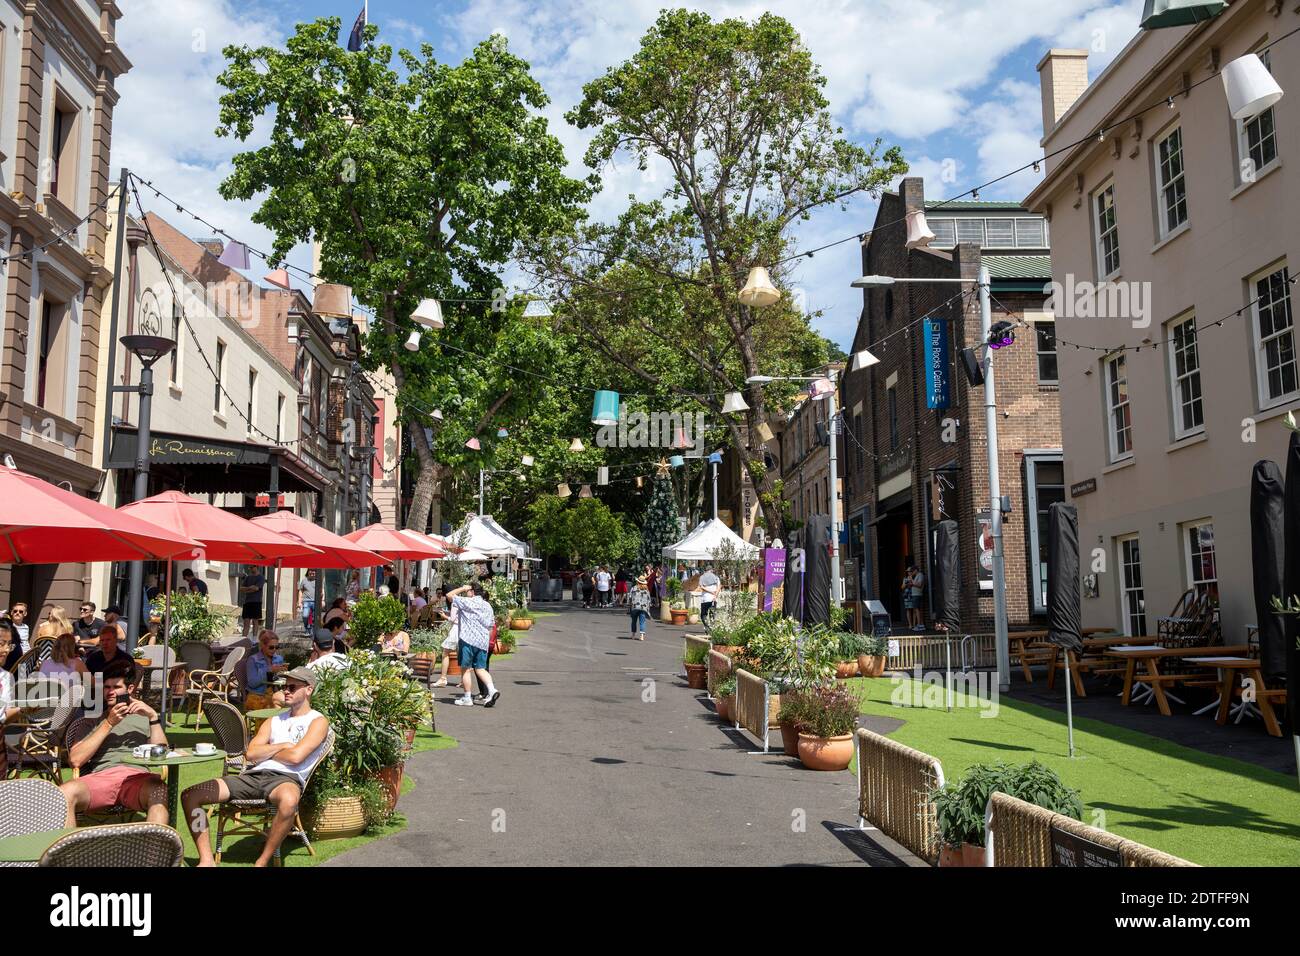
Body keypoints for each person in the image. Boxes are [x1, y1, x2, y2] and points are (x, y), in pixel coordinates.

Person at [182, 666, 330, 867]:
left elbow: (296, 758)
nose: (285, 690)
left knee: (289, 801)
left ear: (308, 689)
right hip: (252, 775)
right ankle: (206, 859)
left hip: (285, 779)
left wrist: (268, 750)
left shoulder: (318, 721)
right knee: (192, 795)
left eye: (292, 687)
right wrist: (283, 746)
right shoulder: (273, 720)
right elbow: (251, 753)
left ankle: (261, 861)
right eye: (284, 686)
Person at [59, 660, 169, 827]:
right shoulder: (91, 721)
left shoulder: (143, 719)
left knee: (159, 790)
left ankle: (154, 852)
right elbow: (75, 760)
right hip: (102, 778)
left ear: (130, 689)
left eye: (116, 687)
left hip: (137, 778)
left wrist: (153, 718)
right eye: (107, 687)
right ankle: (68, 853)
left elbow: (162, 754)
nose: (110, 692)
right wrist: (108, 723)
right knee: (64, 793)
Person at [446, 583, 498, 707]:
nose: (466, 592)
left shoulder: (467, 602)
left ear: (472, 591)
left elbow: (449, 595)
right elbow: (491, 625)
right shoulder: (487, 605)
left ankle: (467, 697)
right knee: (480, 668)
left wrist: (463, 588)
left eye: (468, 590)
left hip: (467, 639)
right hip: (482, 641)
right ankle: (492, 690)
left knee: (465, 669)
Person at [244, 629, 287, 711]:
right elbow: (252, 683)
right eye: (271, 647)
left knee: (291, 705)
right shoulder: (253, 660)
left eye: (276, 647)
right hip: (257, 695)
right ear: (262, 645)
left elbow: (280, 680)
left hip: (276, 694)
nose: (274, 650)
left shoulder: (278, 659)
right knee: (269, 706)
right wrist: (269, 670)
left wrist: (284, 674)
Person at [239, 566, 265, 637]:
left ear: (256, 567)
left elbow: (256, 588)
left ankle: (254, 639)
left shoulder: (261, 578)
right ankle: (243, 638)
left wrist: (247, 589)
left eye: (251, 567)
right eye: (249, 567)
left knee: (255, 621)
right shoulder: (248, 578)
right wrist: (250, 588)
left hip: (256, 601)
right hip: (247, 602)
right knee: (246, 622)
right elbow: (241, 588)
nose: (250, 569)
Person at [628, 574, 651, 641]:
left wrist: (630, 604)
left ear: (637, 581)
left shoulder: (634, 588)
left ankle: (633, 635)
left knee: (634, 621)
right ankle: (641, 636)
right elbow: (649, 599)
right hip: (643, 608)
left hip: (635, 607)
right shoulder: (646, 589)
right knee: (642, 622)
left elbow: (630, 597)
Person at [905, 564, 926, 631]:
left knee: (917, 609)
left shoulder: (920, 575)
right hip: (915, 594)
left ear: (916, 570)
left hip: (917, 594)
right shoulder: (917, 575)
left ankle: (919, 625)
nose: (912, 572)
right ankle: (920, 625)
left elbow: (919, 584)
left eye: (912, 571)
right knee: (917, 609)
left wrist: (912, 581)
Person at [297, 569, 317, 634]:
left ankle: (311, 629)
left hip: (316, 601)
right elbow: (300, 591)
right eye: (311, 570)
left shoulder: (318, 580)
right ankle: (306, 628)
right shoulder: (304, 580)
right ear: (308, 572)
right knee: (305, 616)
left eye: (314, 571)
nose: (312, 572)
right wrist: (299, 602)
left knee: (314, 617)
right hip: (306, 601)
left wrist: (322, 600)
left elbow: (321, 590)